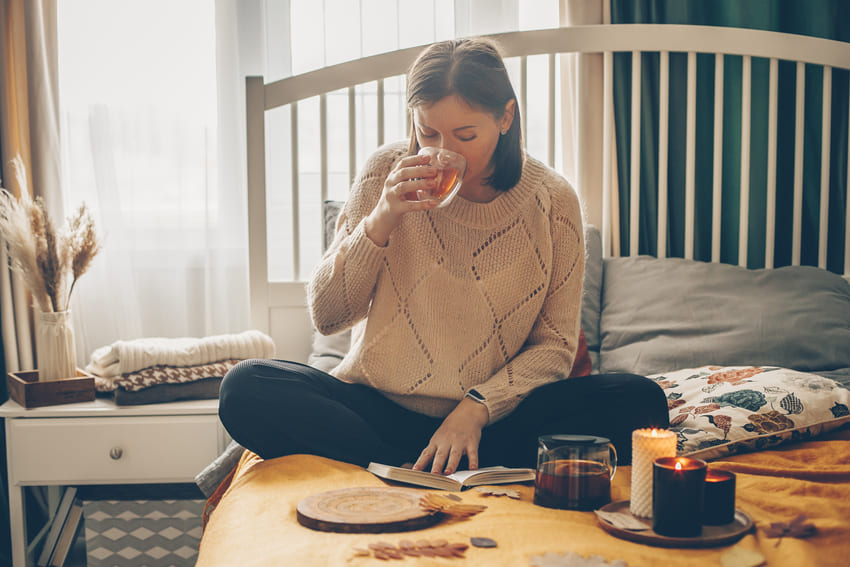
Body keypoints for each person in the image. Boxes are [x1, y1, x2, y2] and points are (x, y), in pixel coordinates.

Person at [219, 38, 668, 476]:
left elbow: (554, 348)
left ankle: (406, 465)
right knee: (245, 387)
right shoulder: (385, 171)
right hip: (377, 409)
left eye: (465, 134)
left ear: (506, 117)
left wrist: (477, 407)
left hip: (493, 422)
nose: (443, 150)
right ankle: (413, 467)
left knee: (640, 401)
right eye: (427, 131)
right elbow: (329, 316)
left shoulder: (554, 201)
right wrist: (382, 217)